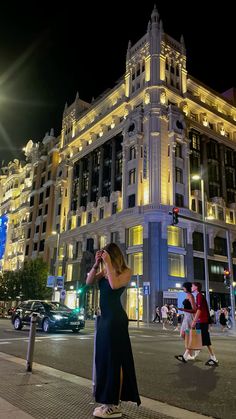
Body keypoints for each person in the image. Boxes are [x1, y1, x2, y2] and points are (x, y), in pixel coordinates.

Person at [86, 243, 141, 418]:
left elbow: (115, 285)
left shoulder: (126, 271)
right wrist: (96, 265)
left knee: (114, 361)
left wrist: (108, 263)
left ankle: (113, 404)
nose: (104, 258)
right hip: (104, 320)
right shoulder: (104, 270)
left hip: (116, 320)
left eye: (107, 255)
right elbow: (88, 282)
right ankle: (105, 401)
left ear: (113, 255)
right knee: (102, 359)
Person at [191, 282, 219, 366]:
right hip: (202, 321)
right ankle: (212, 357)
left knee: (204, 340)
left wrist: (194, 321)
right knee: (202, 339)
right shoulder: (198, 296)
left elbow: (199, 310)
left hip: (202, 321)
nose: (191, 287)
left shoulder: (199, 296)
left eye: (192, 286)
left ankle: (213, 358)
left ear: (196, 287)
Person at [175, 282, 197, 362]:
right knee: (183, 334)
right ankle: (190, 353)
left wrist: (183, 309)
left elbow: (194, 309)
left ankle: (188, 354)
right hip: (186, 316)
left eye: (183, 287)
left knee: (186, 335)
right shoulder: (187, 295)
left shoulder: (191, 296)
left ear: (187, 287)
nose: (183, 288)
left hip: (189, 317)